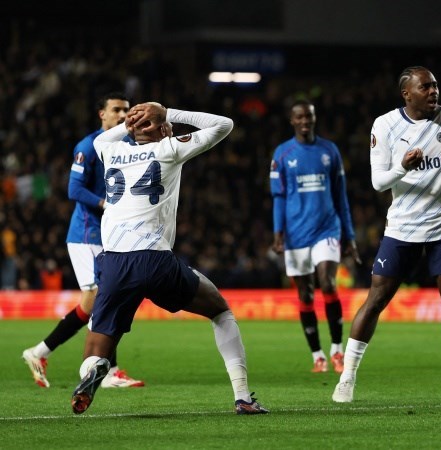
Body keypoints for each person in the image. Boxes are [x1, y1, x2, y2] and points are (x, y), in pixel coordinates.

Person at [70, 102, 269, 415]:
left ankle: (94, 370)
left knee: (97, 348)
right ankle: (243, 397)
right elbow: (223, 124)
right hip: (153, 259)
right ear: (162, 127)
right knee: (220, 310)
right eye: (165, 124)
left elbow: (106, 137)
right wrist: (167, 111)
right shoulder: (168, 149)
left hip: (113, 263)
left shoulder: (107, 148)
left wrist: (135, 123)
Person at [331, 66, 441, 403]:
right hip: (403, 227)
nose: (433, 92)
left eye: (435, 86)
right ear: (407, 93)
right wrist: (402, 166)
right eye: (425, 87)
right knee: (376, 299)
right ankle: (347, 378)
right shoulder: (385, 125)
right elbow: (378, 182)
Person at [22, 92, 144, 389]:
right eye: (116, 110)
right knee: (104, 296)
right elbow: (74, 190)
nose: (122, 115)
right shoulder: (88, 147)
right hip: (87, 233)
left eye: (126, 110)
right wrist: (106, 204)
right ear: (101, 114)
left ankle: (39, 352)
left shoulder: (129, 144)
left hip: (111, 233)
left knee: (100, 300)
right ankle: (108, 371)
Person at [269, 99, 360, 373]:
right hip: (296, 234)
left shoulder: (329, 151)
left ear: (314, 118)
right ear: (292, 120)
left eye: (309, 117)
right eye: (300, 117)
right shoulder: (282, 154)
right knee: (306, 294)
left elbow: (340, 196)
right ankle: (317, 355)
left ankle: (336, 350)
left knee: (328, 282)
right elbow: (279, 198)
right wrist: (278, 233)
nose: (305, 122)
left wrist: (350, 236)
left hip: (327, 228)